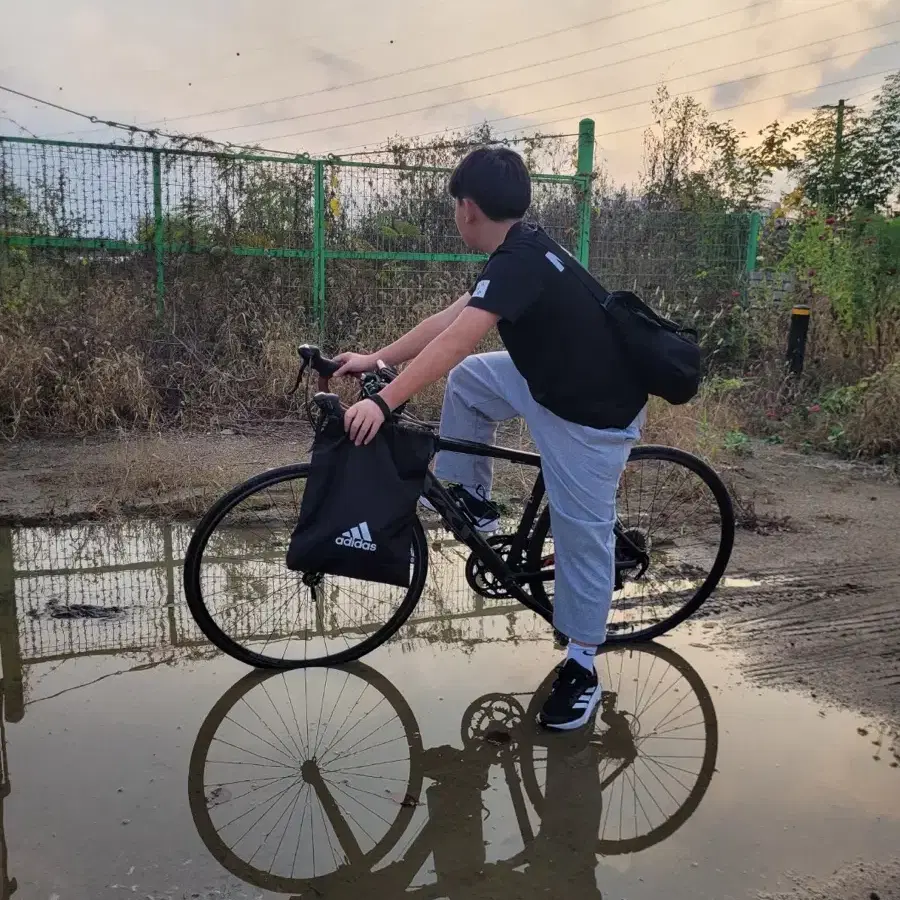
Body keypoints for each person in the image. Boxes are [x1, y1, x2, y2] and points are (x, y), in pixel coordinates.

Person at [333, 147, 647, 731]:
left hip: (591, 412)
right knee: (472, 381)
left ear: (468, 208)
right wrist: (372, 360)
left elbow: (458, 339)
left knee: (582, 534)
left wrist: (384, 400)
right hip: (550, 381)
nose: (456, 212)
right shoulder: (517, 250)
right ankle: (473, 499)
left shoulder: (519, 260)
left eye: (456, 204)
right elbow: (446, 328)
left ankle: (582, 666)